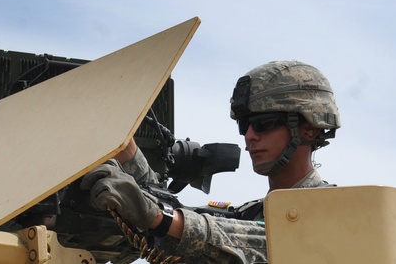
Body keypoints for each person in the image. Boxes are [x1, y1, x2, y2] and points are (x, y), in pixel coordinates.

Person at [80, 60, 341, 263]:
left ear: (309, 129)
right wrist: (125, 149)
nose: (250, 136)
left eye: (264, 123)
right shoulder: (251, 215)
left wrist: (160, 218)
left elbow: (269, 245)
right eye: (245, 125)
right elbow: (185, 221)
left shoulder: (339, 215)